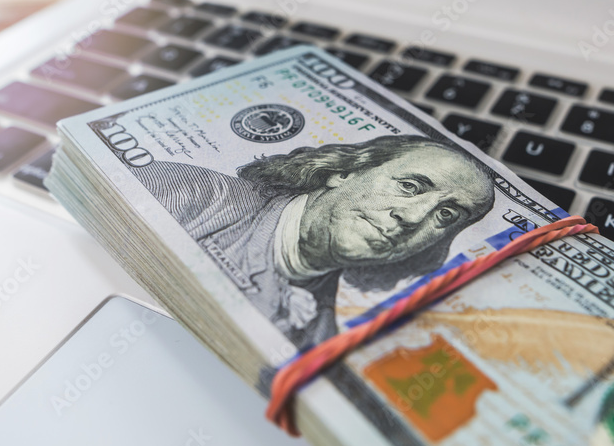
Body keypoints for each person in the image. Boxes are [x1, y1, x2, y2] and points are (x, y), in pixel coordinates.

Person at [131, 134, 495, 348]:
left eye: (446, 215)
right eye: (409, 186)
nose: (414, 217)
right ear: (343, 172)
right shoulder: (183, 192)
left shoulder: (321, 339)